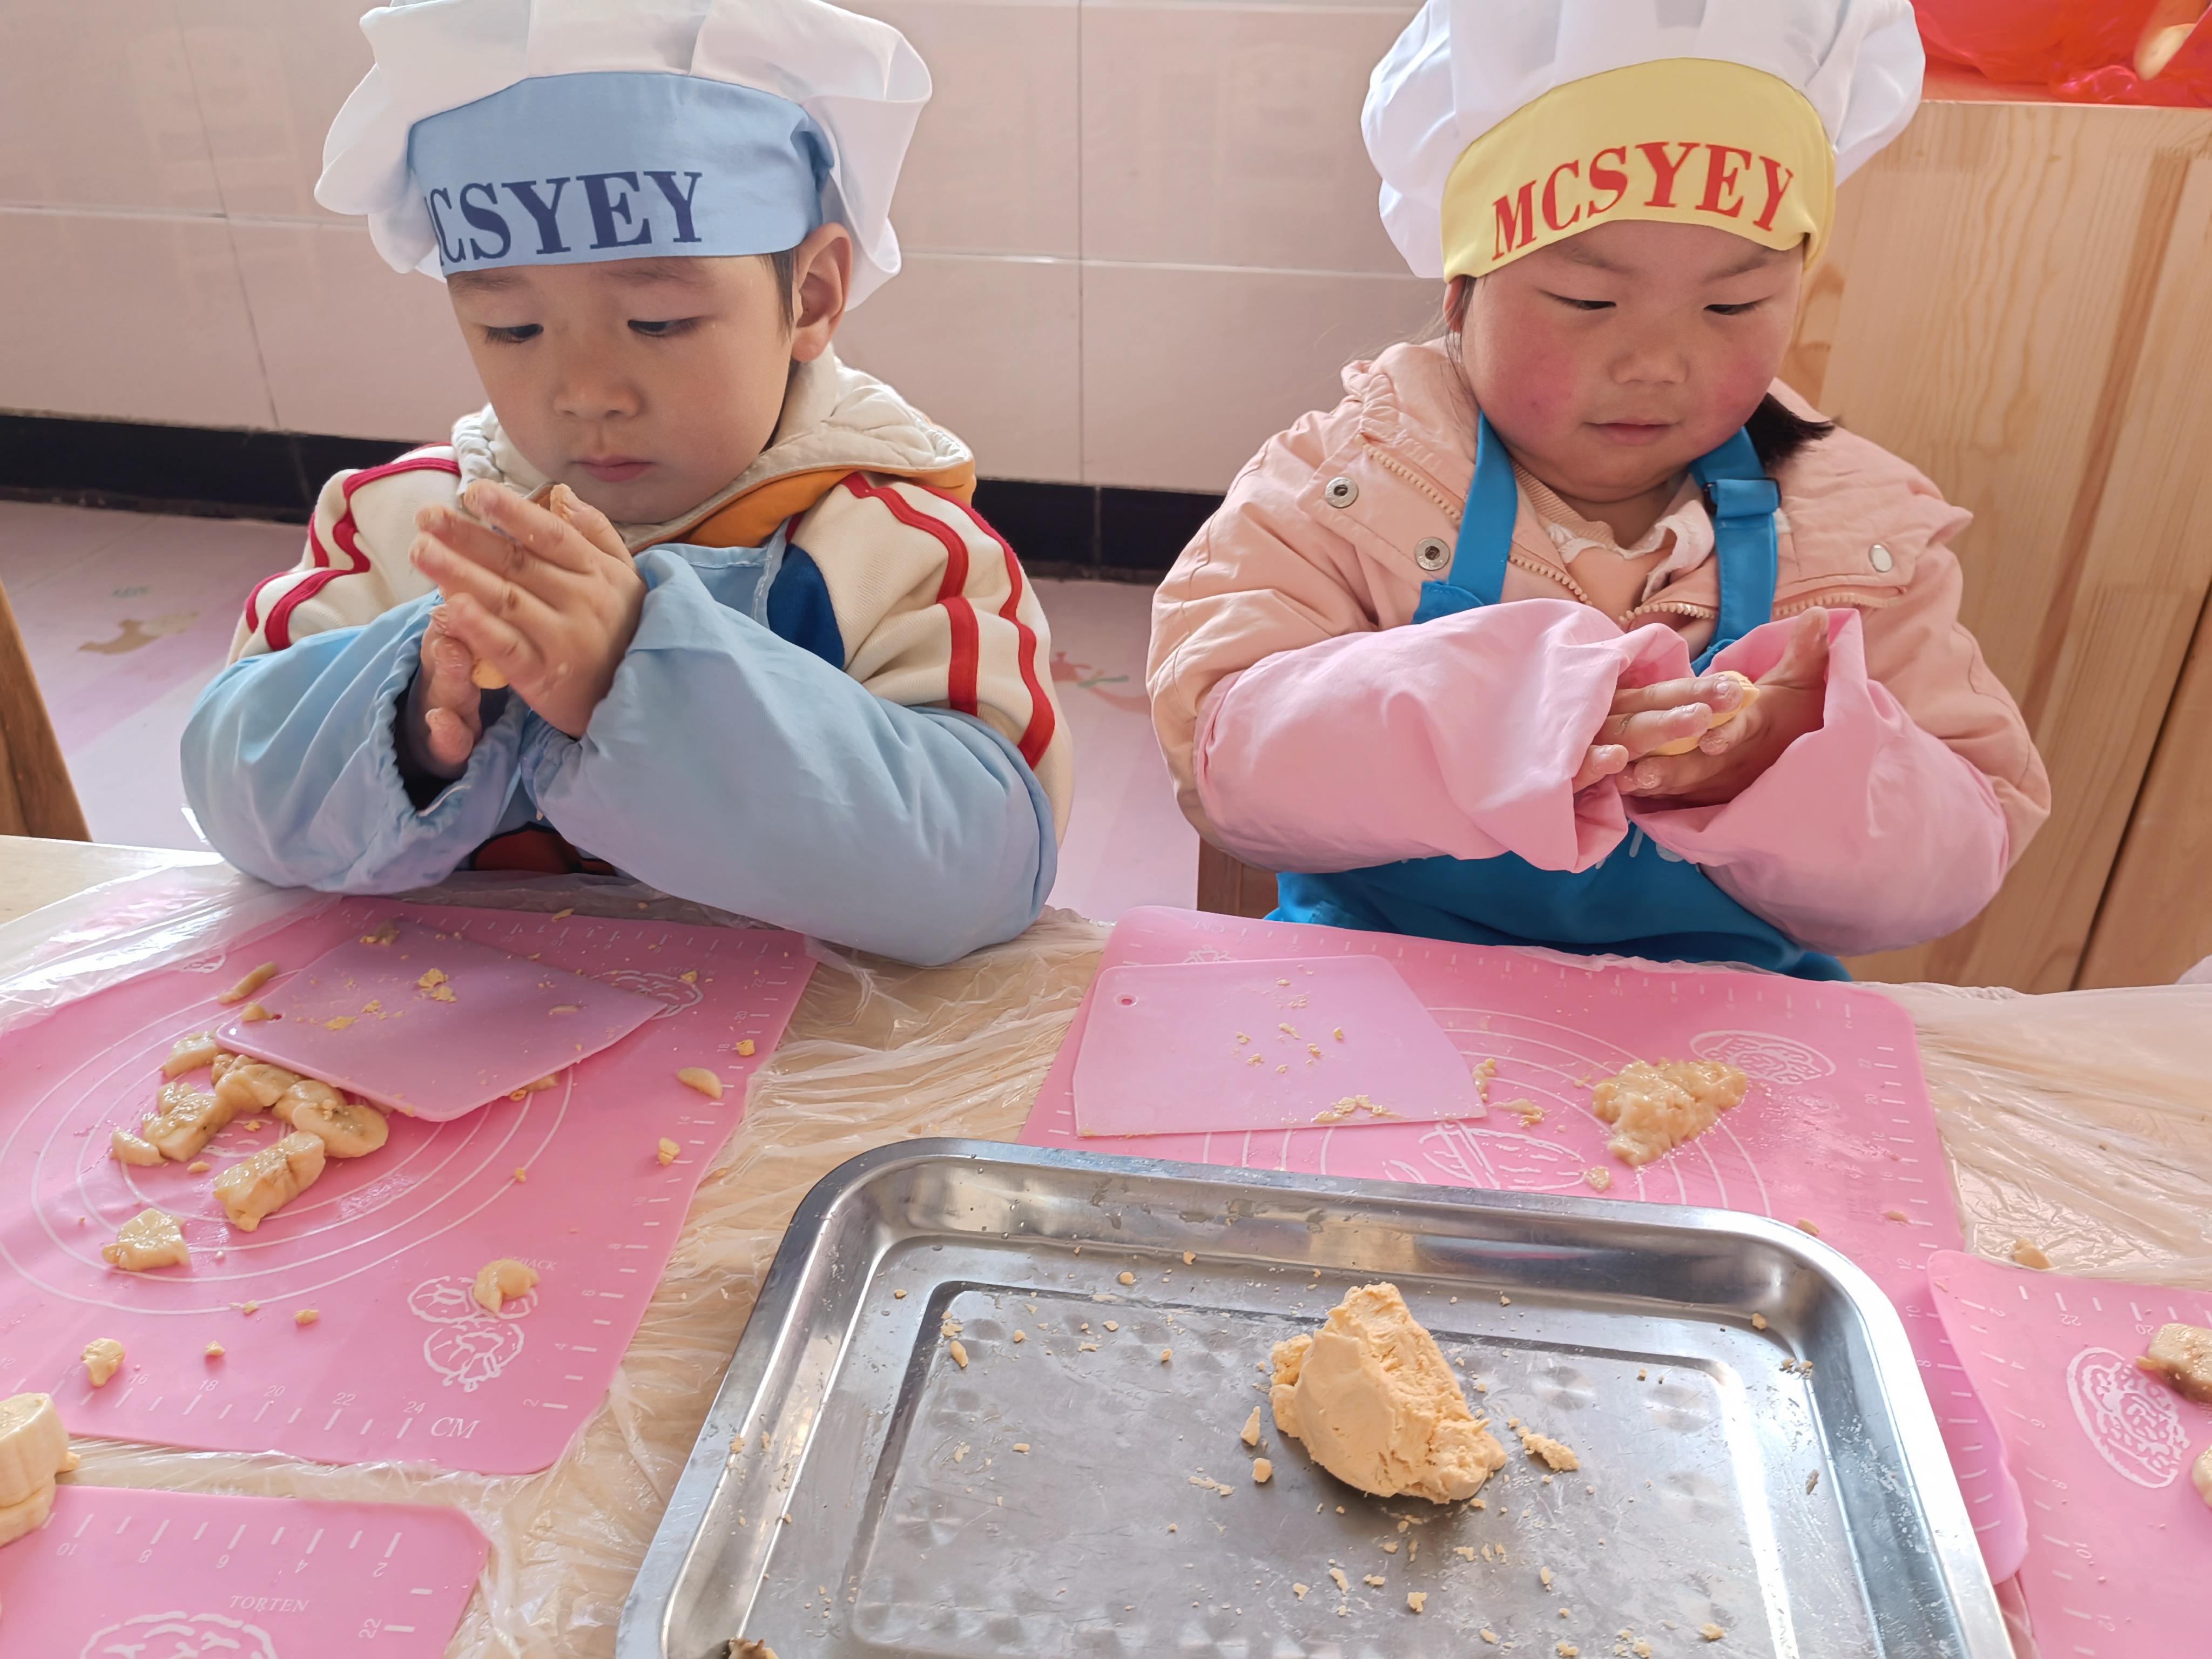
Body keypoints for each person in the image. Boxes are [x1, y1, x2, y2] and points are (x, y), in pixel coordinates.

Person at [1147, 0, 2048, 978]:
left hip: (1721, 1029)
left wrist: (1792, 768)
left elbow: (1961, 859)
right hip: (1374, 994)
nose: (1655, 362)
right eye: (1588, 300)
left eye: (1731, 304)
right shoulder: (1343, 492)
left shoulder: (1863, 547)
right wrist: (1500, 719)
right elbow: (1228, 768)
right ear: (1462, 291)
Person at [183, 0, 1070, 967]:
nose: (586, 392)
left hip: (796, 1048)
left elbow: (986, 870)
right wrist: (410, 721)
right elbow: (235, 786)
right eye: (513, 329)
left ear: (811, 296)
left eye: (659, 322)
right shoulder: (401, 529)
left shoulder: (897, 550)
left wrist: (641, 680)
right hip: (464, 1037)